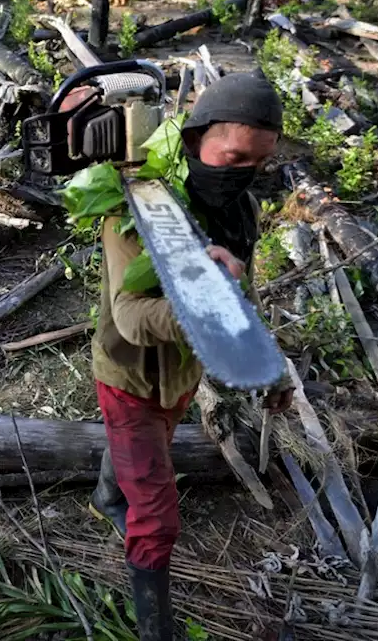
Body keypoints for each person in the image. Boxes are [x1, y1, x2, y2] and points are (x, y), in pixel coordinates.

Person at [85, 72, 293, 640]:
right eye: (233, 156)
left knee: (152, 445)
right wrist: (206, 312)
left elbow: (242, 292)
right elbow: (130, 318)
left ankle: (107, 495)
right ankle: (156, 628)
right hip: (129, 377)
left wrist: (266, 361)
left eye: (257, 162)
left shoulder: (238, 210)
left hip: (180, 373)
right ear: (197, 137)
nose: (243, 172)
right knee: (156, 520)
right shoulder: (137, 208)